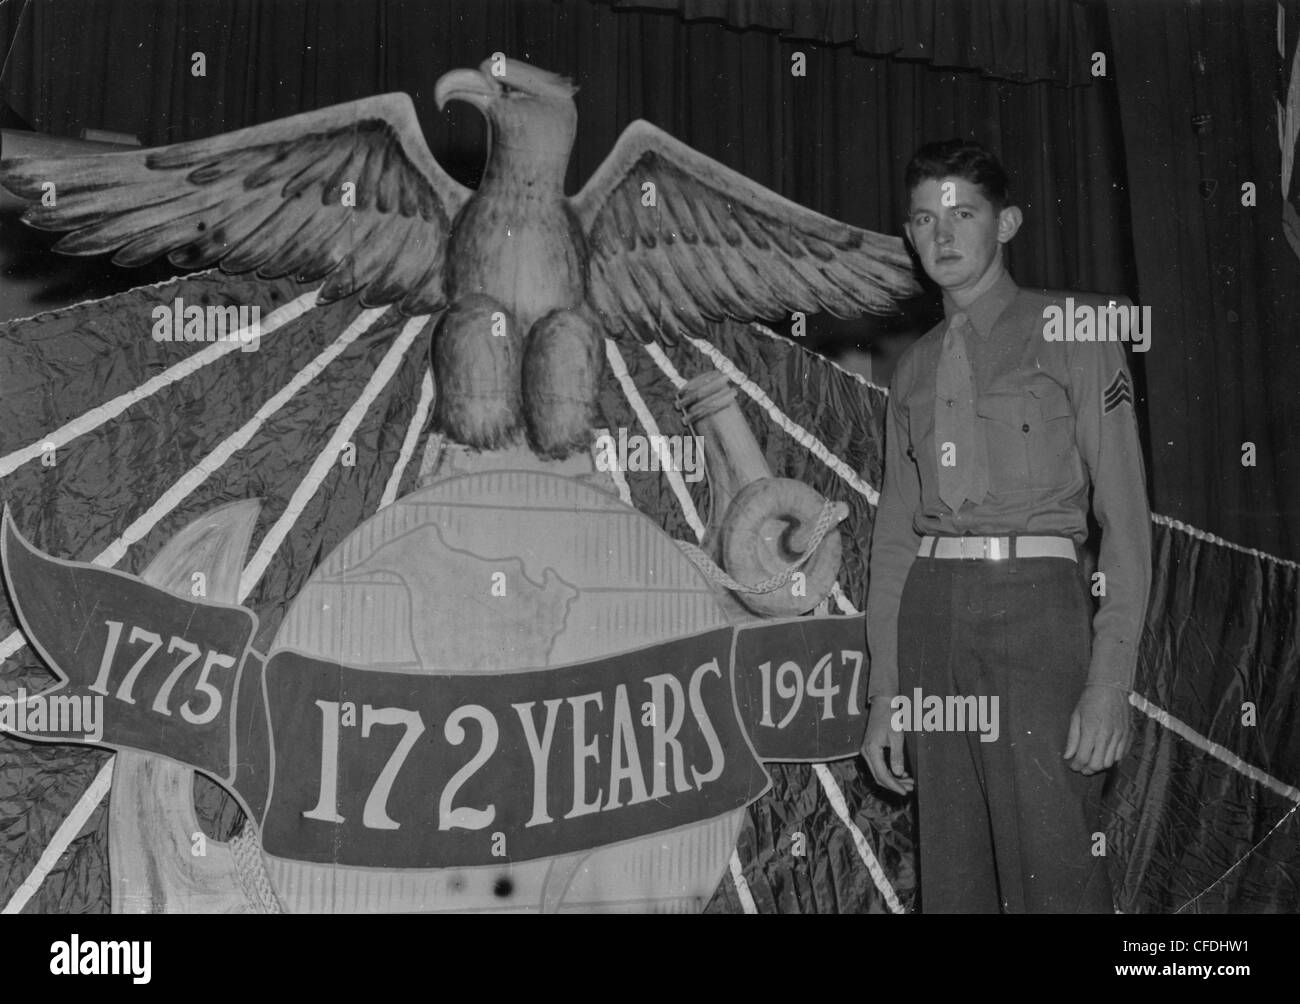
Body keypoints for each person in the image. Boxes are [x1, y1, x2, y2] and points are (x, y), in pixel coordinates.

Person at [861, 139, 1152, 913]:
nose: (943, 237)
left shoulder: (1077, 328)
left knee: (1055, 871)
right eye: (924, 220)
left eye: (963, 214)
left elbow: (1124, 519)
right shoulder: (913, 368)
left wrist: (1110, 683)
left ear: (1009, 222)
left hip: (1038, 614)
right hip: (932, 614)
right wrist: (886, 695)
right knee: (954, 879)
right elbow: (894, 541)